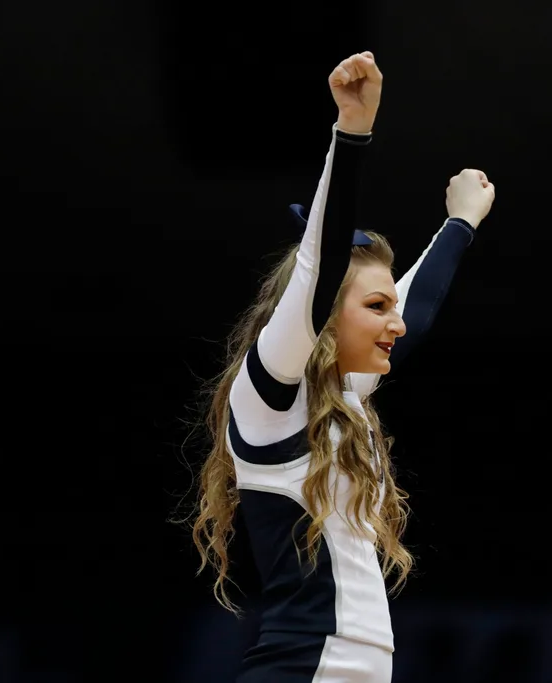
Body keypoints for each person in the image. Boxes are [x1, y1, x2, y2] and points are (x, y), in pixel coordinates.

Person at [192, 51, 496, 683]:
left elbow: (420, 303)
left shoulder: (343, 391)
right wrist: (352, 131)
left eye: (391, 305)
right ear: (323, 315)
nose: (397, 322)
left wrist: (461, 223)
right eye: (375, 306)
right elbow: (318, 266)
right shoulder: (271, 397)